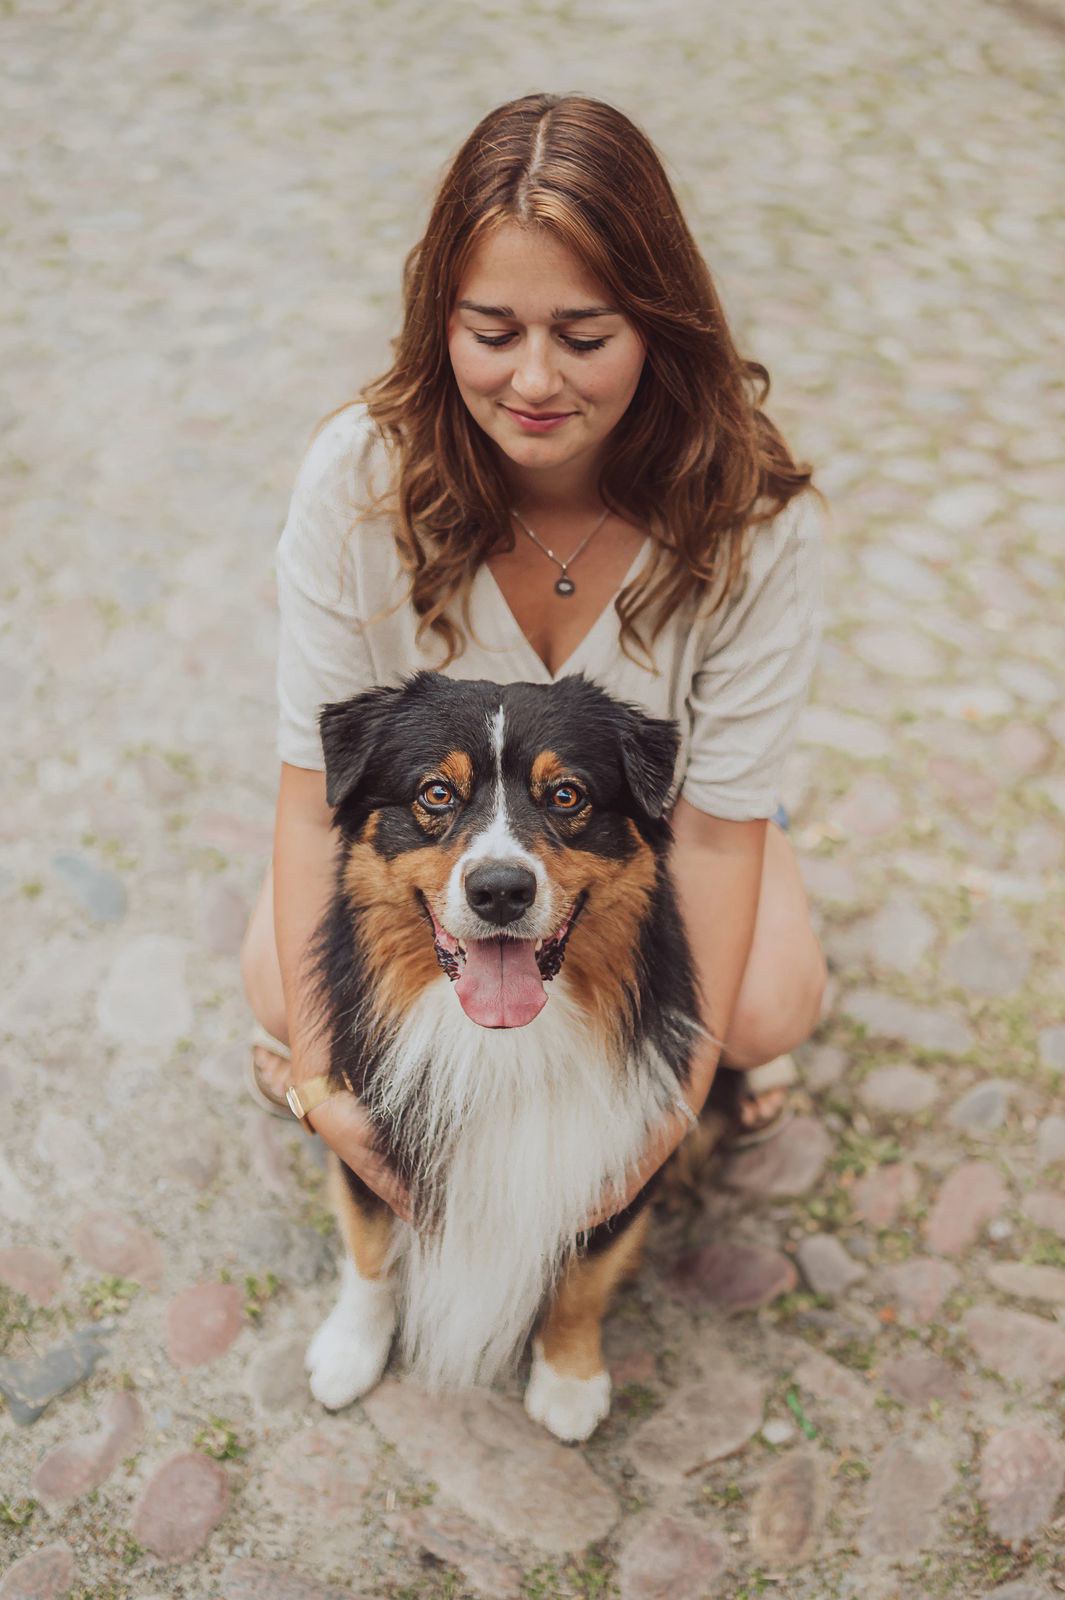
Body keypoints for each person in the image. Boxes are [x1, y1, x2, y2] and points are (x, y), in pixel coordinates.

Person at [241, 92, 826, 1226]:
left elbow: (712, 831)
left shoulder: (757, 520)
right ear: (440, 321)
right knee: (278, 986)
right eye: (494, 332)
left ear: (659, 325)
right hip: (437, 824)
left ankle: (706, 1008)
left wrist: (666, 1113)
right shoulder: (357, 479)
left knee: (764, 1012)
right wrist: (320, 1080)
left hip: (670, 817)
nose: (536, 381)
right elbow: (314, 793)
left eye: (585, 336)